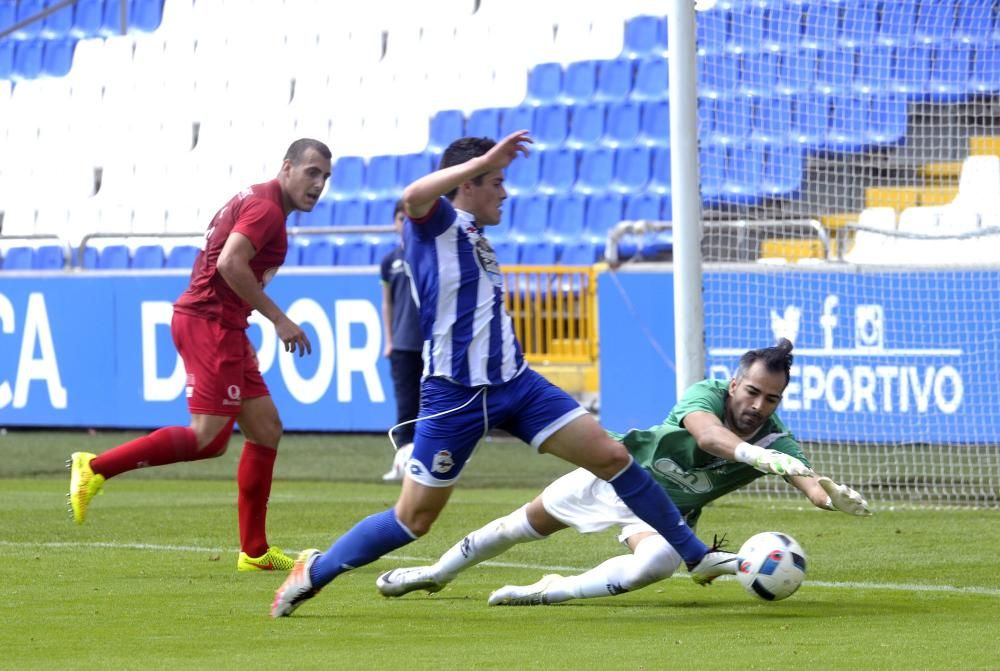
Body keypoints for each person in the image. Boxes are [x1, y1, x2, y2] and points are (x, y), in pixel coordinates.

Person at [270, 131, 812, 617]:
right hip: (454, 398)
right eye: (497, 182)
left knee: (614, 457)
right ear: (467, 184)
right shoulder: (434, 225)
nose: (505, 192)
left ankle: (695, 557)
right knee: (413, 519)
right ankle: (314, 572)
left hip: (517, 386)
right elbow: (412, 197)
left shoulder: (476, 235)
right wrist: (482, 158)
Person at [375, 339, 872, 606]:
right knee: (515, 528)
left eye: (771, 399)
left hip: (663, 517)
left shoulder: (775, 439)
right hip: (616, 476)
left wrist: (825, 495)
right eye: (752, 393)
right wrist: (765, 459)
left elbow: (807, 479)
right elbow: (708, 437)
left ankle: (548, 592)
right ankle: (435, 574)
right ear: (735, 383)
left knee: (657, 565)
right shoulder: (707, 394)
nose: (759, 406)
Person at [68, 138, 333, 572]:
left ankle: (254, 550)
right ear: (286, 168)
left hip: (223, 323)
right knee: (208, 438)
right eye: (312, 172)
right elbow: (230, 264)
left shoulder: (258, 201)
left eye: (325, 176)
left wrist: (241, 323)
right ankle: (95, 467)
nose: (319, 184)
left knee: (265, 428)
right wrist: (278, 319)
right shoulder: (266, 210)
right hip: (209, 321)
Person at [379, 199, 422, 481]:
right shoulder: (389, 262)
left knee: (431, 407)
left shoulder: (428, 254)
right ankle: (402, 464)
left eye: (408, 218)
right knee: (406, 407)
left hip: (431, 345)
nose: (404, 224)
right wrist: (389, 340)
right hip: (403, 346)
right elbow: (387, 304)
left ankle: (433, 464)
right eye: (399, 219)